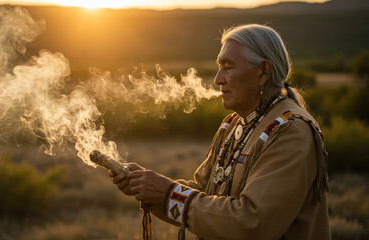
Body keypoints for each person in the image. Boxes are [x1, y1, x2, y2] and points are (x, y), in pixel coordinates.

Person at [110, 24, 330, 240]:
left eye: (229, 66)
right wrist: (148, 187)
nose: (218, 79)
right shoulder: (234, 124)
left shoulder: (291, 132)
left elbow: (252, 222)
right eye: (219, 66)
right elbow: (204, 192)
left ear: (263, 71)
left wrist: (167, 192)